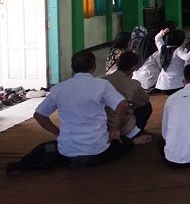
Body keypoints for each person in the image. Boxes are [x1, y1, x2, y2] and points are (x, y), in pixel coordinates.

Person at [13, 50, 145, 170]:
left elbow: (39, 115)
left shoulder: (59, 88)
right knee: (126, 144)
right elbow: (122, 105)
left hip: (67, 149)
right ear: (93, 67)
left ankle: (74, 158)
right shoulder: (101, 85)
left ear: (73, 68)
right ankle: (94, 156)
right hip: (98, 147)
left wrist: (58, 133)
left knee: (52, 148)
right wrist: (115, 129)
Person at [101, 51, 154, 141]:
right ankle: (133, 133)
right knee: (146, 107)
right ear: (133, 68)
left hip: (103, 126)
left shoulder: (102, 80)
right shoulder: (133, 84)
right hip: (122, 127)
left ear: (117, 63)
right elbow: (144, 100)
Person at [155, 28, 190, 93]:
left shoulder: (162, 48)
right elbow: (188, 57)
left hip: (163, 85)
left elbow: (157, 39)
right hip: (177, 85)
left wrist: (161, 33)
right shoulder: (177, 50)